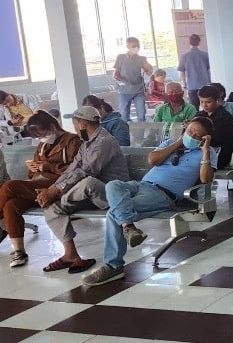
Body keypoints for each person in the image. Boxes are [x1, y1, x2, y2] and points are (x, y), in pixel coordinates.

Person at [83, 117, 218, 286]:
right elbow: (152, 160)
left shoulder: (208, 152)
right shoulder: (169, 143)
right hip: (141, 185)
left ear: (204, 139)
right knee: (113, 185)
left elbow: (206, 179)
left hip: (162, 194)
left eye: (197, 136)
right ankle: (129, 227)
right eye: (190, 130)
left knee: (113, 213)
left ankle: (113, 265)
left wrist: (205, 151)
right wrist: (177, 143)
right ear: (185, 128)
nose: (191, 136)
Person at [37, 106, 129, 273]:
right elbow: (72, 169)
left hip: (111, 194)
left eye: (74, 125)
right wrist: (52, 188)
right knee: (52, 208)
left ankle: (61, 198)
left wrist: (57, 191)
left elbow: (86, 171)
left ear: (81, 124)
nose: (75, 129)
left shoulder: (105, 142)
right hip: (88, 196)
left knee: (89, 182)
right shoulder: (86, 144)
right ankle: (70, 255)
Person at [0, 111, 80, 267]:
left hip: (60, 187)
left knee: (10, 186)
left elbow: (76, 171)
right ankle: (19, 252)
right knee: (11, 205)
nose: (39, 139)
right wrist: (34, 168)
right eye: (36, 137)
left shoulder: (72, 141)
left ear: (51, 126)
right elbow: (33, 174)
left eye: (40, 134)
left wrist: (49, 166)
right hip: (39, 186)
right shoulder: (42, 145)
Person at [196, 86, 233, 170]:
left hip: (218, 154)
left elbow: (227, 143)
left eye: (208, 102)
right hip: (198, 152)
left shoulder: (226, 118)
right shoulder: (199, 116)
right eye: (201, 102)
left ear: (217, 100)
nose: (204, 105)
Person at [113, 37, 153, 122]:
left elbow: (149, 71)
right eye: (133, 46)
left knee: (141, 115)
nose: (136, 48)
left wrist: (148, 69)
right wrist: (116, 78)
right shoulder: (121, 57)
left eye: (138, 46)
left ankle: (141, 134)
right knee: (124, 116)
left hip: (138, 90)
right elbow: (116, 72)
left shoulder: (142, 59)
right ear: (128, 46)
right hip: (124, 90)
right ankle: (127, 133)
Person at [178, 34, 211, 111]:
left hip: (192, 86)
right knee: (207, 108)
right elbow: (209, 70)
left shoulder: (184, 56)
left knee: (194, 109)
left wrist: (184, 84)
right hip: (205, 85)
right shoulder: (205, 55)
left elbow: (182, 72)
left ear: (189, 42)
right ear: (199, 42)